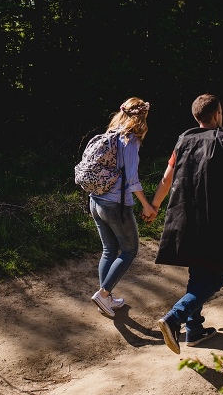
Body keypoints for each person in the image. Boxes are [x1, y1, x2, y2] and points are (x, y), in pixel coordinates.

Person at [149, 94, 223, 353]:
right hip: (214, 222)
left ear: (196, 117)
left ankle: (194, 330)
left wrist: (153, 206)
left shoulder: (184, 141)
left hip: (184, 218)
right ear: (218, 114)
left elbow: (166, 179)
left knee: (198, 274)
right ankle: (174, 318)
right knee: (215, 278)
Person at [89, 97, 157, 318]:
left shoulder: (109, 136)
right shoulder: (130, 140)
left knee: (109, 250)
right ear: (141, 117)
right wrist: (147, 206)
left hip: (95, 200)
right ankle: (104, 293)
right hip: (116, 205)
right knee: (129, 250)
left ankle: (106, 298)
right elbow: (133, 179)